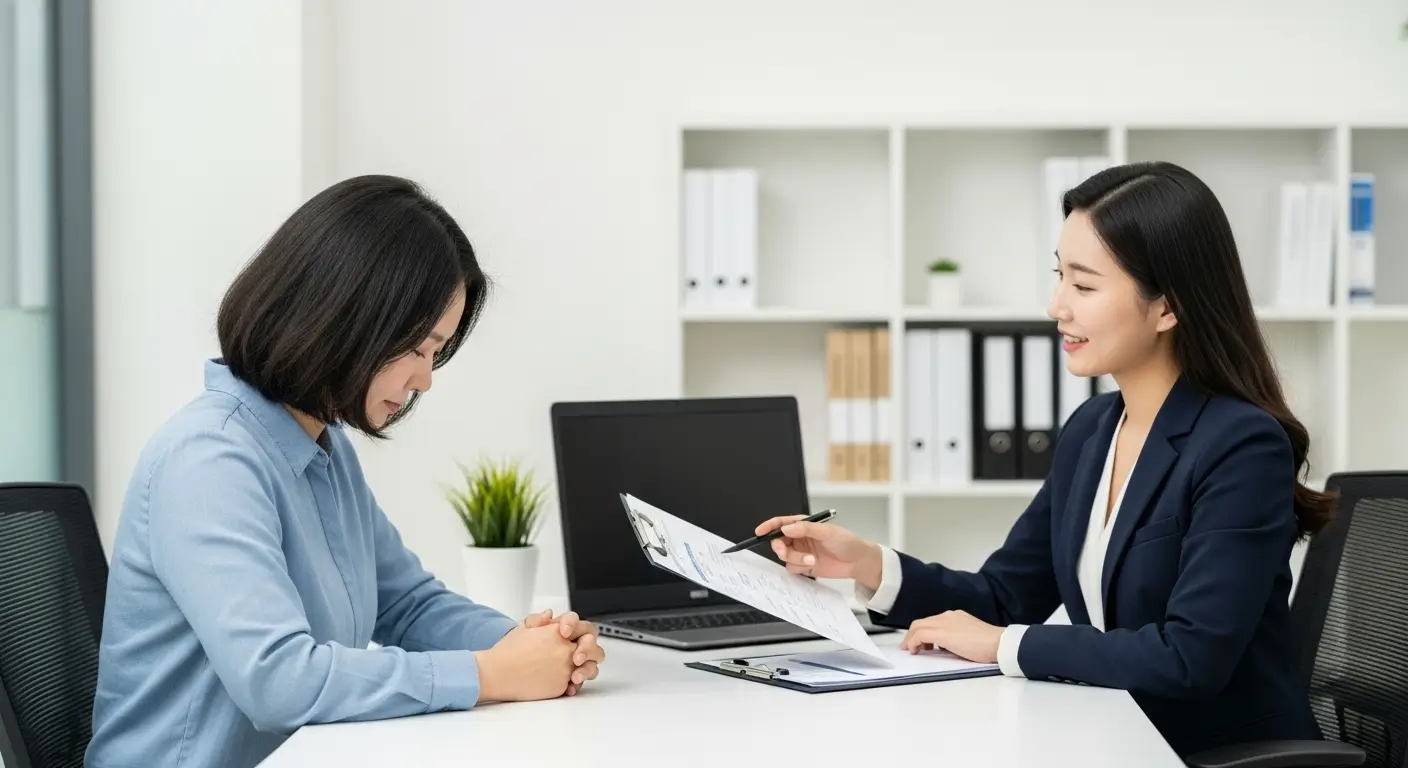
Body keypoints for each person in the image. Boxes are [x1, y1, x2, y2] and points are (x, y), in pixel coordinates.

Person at [755, 161, 1333, 758]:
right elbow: (1003, 597)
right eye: (1060, 277)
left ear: (1167, 307)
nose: (1057, 305)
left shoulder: (1241, 446)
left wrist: (1006, 645)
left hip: (1215, 754)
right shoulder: (1092, 430)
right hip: (1114, 735)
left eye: (1084, 286)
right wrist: (866, 564)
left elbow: (1190, 658)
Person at [86, 175, 606, 768]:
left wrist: (531, 645)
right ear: (345, 317)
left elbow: (407, 605)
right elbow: (278, 681)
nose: (425, 379)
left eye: (435, 354)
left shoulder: (322, 447)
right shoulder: (209, 459)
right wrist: (491, 673)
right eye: (417, 348)